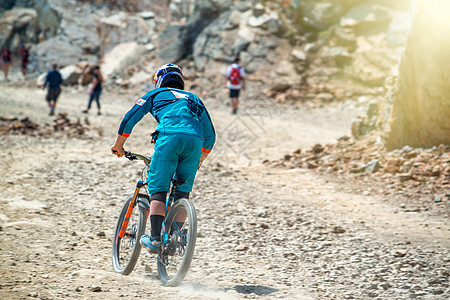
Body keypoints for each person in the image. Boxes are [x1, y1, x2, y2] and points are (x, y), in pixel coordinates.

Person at [111, 63, 216, 253]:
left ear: (159, 81)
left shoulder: (155, 94)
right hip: (195, 142)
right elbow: (210, 136)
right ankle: (176, 238)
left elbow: (129, 118)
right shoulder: (194, 98)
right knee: (182, 192)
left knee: (158, 189)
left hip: (169, 138)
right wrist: (200, 159)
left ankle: (155, 239)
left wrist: (119, 146)